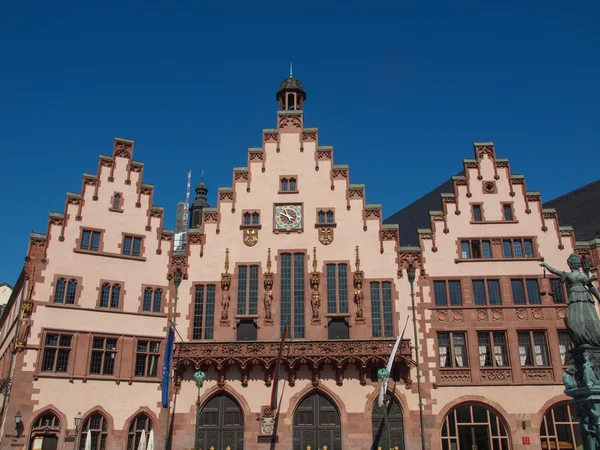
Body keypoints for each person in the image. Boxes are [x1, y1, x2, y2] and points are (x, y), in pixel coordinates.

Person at [541, 254, 600, 347]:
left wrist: (598, 297)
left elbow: (591, 287)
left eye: (575, 262)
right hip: (574, 297)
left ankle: (591, 338)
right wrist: (545, 265)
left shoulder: (583, 275)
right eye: (573, 262)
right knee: (572, 318)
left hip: (584, 296)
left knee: (588, 317)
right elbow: (554, 271)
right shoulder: (568, 275)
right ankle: (581, 337)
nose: (574, 264)